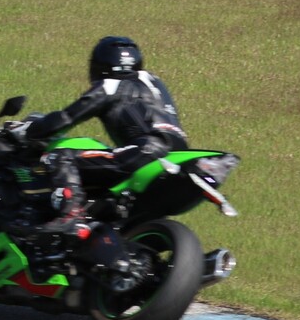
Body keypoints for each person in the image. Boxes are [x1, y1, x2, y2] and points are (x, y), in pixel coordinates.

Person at [10, 36, 188, 237]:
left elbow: (67, 117)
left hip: (146, 150)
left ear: (100, 66)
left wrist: (28, 131)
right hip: (178, 153)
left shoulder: (111, 85)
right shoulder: (154, 82)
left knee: (60, 157)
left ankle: (71, 216)